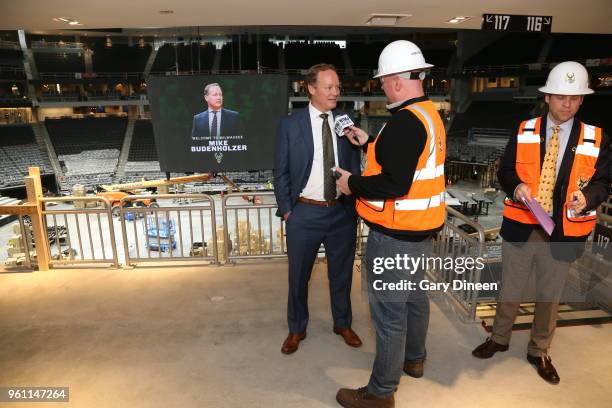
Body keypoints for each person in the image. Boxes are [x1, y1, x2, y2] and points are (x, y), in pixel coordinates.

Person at [472, 61, 610, 384]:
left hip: (562, 232)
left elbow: (603, 182)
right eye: (561, 97)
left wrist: (587, 198)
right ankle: (500, 338)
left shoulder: (597, 138)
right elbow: (505, 171)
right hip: (522, 225)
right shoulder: (524, 130)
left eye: (575, 98)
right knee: (510, 287)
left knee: (550, 295)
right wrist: (516, 186)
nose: (568, 104)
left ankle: (539, 350)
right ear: (547, 97)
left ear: (581, 101)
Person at [334, 40, 446, 408]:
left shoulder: (403, 123)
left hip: (394, 235)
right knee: (415, 299)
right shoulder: (429, 114)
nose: (381, 87)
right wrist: (368, 143)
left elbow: (394, 183)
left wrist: (352, 184)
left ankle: (381, 392)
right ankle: (414, 359)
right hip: (421, 232)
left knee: (388, 314)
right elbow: (404, 161)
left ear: (398, 81)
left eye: (383, 81)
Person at [274, 63, 362, 355]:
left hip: (341, 213)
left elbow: (355, 166)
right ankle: (297, 328)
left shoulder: (347, 122)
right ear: (311, 88)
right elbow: (281, 172)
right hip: (304, 214)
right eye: (328, 87)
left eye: (337, 87)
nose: (335, 92)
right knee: (298, 276)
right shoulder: (290, 125)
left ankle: (343, 323)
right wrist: (288, 211)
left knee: (342, 274)